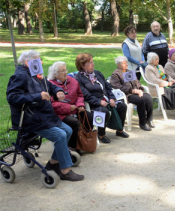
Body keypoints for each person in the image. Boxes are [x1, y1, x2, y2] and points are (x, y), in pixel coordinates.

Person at [6, 50, 84, 181]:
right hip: (30, 118)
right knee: (60, 135)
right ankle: (65, 170)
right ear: (27, 62)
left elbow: (50, 86)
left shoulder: (35, 74)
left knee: (68, 130)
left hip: (44, 116)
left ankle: (53, 163)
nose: (41, 62)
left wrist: (58, 91)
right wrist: (38, 96)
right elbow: (12, 97)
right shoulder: (20, 76)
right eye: (38, 60)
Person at [75, 53, 129, 143]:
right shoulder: (79, 78)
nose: (93, 64)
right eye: (90, 63)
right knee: (103, 111)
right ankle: (101, 134)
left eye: (93, 62)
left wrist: (112, 98)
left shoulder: (97, 73)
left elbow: (108, 87)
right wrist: (98, 102)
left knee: (122, 106)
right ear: (82, 65)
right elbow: (85, 95)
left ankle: (120, 130)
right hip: (93, 103)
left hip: (107, 100)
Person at [48, 61, 93, 155]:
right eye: (62, 71)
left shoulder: (72, 81)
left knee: (89, 116)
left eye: (66, 70)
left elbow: (80, 94)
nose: (66, 72)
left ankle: (84, 141)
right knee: (74, 122)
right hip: (60, 114)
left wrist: (80, 104)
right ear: (55, 74)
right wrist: (69, 108)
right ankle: (72, 147)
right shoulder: (50, 85)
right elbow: (52, 104)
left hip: (75, 108)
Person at [110, 56, 154, 131]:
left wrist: (139, 90)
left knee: (148, 98)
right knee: (141, 101)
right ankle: (142, 123)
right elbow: (118, 87)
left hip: (136, 92)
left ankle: (149, 119)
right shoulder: (115, 75)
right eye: (124, 63)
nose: (126, 64)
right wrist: (132, 91)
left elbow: (137, 82)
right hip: (127, 95)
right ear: (118, 64)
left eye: (126, 63)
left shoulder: (129, 71)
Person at [145, 52, 175, 121]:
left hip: (167, 85)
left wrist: (172, 80)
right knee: (174, 93)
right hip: (157, 88)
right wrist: (167, 84)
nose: (158, 60)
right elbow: (154, 81)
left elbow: (167, 75)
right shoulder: (148, 68)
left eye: (158, 58)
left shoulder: (159, 66)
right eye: (156, 59)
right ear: (151, 60)